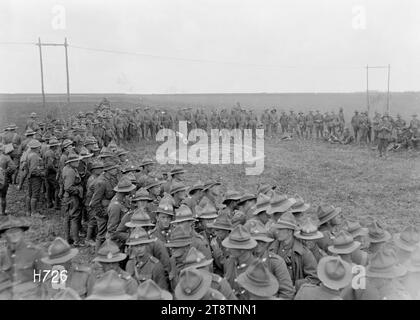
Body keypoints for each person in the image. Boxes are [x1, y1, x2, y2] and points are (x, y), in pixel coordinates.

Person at [245, 219, 296, 299]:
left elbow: (287, 293)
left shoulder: (276, 262)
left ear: (267, 243)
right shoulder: (245, 260)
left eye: (262, 241)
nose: (259, 244)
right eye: (256, 241)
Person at [268, 212, 319, 291]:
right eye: (278, 229)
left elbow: (314, 278)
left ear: (290, 231)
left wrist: (295, 286)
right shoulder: (272, 248)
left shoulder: (303, 252)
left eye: (281, 229)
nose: (277, 231)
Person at [0, 215, 46, 299]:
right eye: (10, 232)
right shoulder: (2, 256)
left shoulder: (36, 252)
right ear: (4, 235)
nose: (14, 234)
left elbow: (48, 278)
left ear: (22, 233)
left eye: (17, 231)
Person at [62, 154, 84, 246]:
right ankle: (76, 240)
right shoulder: (71, 171)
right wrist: (78, 190)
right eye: (76, 161)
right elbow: (68, 187)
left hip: (67, 197)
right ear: (71, 162)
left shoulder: (66, 169)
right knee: (74, 218)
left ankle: (67, 239)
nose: (78, 163)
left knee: (67, 218)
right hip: (72, 197)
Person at [106, 177, 136, 243]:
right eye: (130, 190)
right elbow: (112, 230)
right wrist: (128, 236)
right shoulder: (115, 206)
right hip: (115, 240)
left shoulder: (124, 200)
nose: (131, 191)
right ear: (125, 191)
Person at [25, 139, 46, 218]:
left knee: (29, 194)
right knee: (35, 195)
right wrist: (42, 174)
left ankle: (28, 211)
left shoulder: (29, 154)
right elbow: (34, 170)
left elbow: (26, 167)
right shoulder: (34, 156)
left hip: (30, 177)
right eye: (38, 147)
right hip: (35, 178)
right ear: (36, 147)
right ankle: (34, 213)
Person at [0, 143, 17, 215]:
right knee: (3, 197)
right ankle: (2, 212)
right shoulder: (6, 157)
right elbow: (13, 168)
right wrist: (7, 174)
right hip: (2, 178)